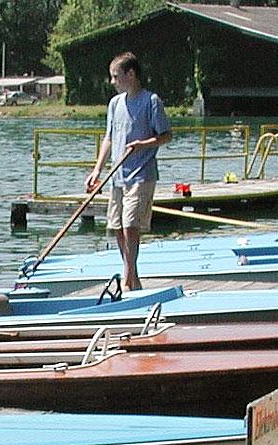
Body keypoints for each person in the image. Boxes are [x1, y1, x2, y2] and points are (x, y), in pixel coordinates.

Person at [85, 52, 172, 292]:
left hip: (142, 174)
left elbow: (166, 136)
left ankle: (128, 278)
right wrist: (96, 171)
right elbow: (109, 139)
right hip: (118, 175)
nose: (112, 82)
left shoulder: (151, 100)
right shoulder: (115, 104)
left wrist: (143, 145)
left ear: (130, 74)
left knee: (130, 224)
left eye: (116, 76)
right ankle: (132, 276)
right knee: (116, 226)